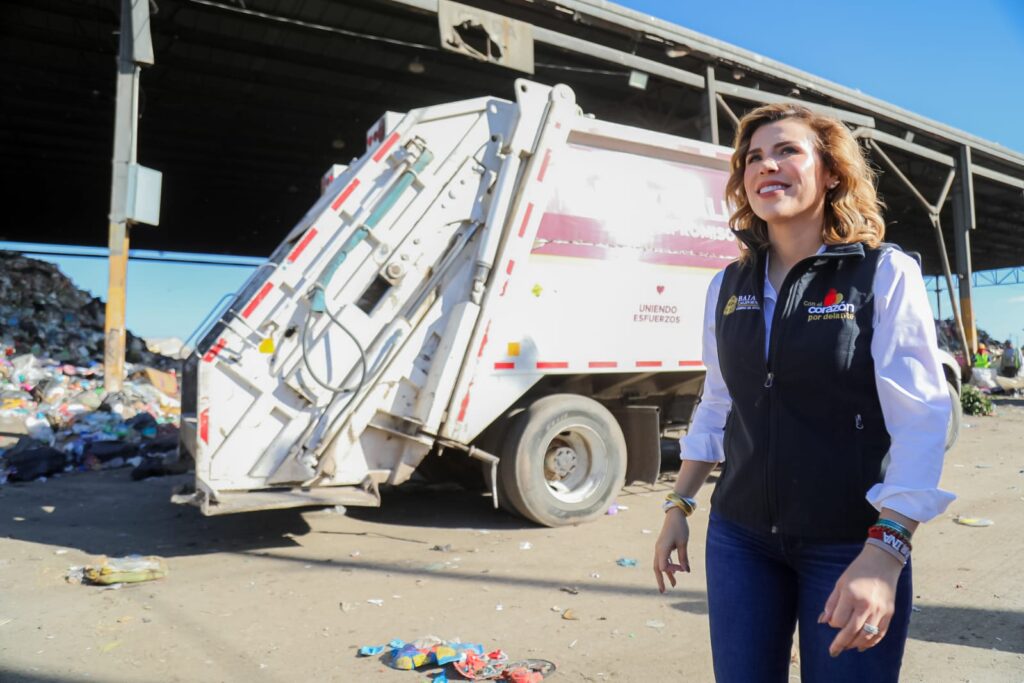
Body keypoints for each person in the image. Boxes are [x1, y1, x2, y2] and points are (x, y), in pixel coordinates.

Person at [653, 103, 954, 683]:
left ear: (831, 171)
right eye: (754, 158)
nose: (768, 165)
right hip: (739, 540)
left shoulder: (881, 273)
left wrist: (887, 549)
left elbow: (922, 418)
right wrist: (680, 503)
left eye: (788, 151)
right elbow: (718, 401)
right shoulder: (726, 285)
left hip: (848, 542)